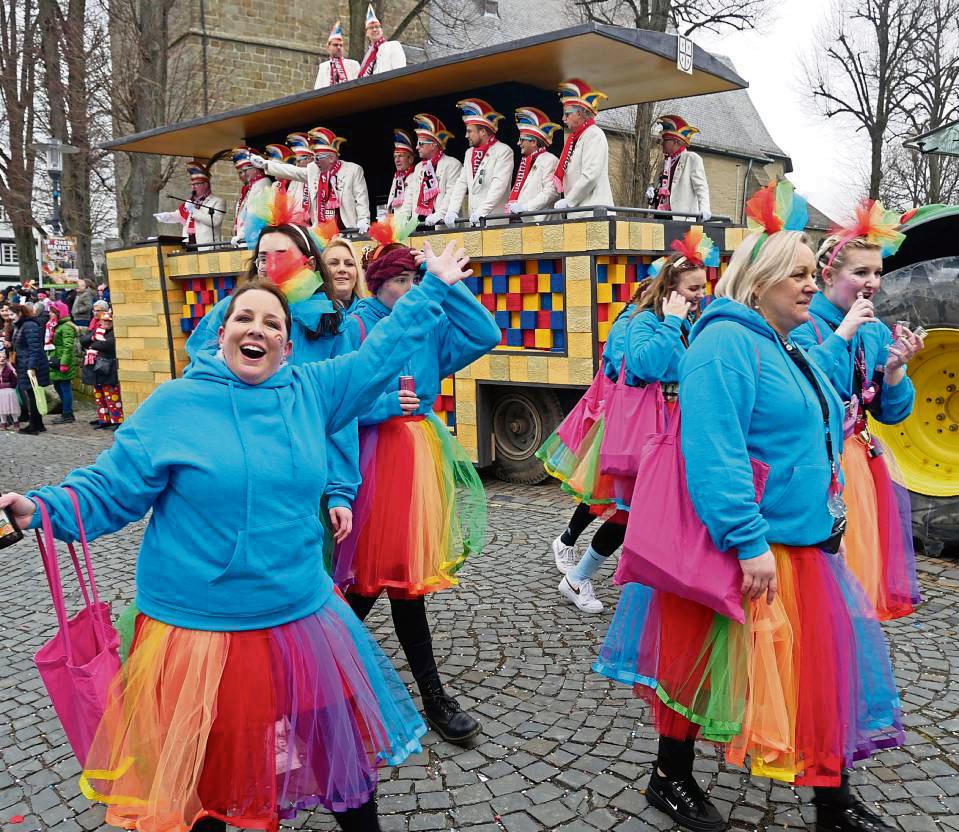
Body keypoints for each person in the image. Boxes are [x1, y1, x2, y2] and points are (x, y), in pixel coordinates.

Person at [0, 241, 473, 832]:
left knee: (343, 769)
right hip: (199, 628)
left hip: (299, 612)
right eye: (244, 318)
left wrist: (432, 288)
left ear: (287, 344)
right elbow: (108, 489)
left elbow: (380, 353)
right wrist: (38, 509)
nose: (258, 329)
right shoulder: (175, 405)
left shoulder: (311, 390)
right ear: (220, 335)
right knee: (211, 782)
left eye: (272, 322)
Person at [597, 181, 902, 832]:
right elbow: (713, 448)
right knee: (694, 664)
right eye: (794, 274)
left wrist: (858, 346)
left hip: (800, 541)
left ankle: (830, 799)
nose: (808, 285)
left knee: (816, 673)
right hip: (757, 546)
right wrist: (744, 539)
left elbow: (806, 395)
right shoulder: (725, 342)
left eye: (808, 273)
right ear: (758, 280)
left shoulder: (777, 342)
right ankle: (668, 777)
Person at [333, 228, 500, 745]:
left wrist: (442, 283)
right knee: (362, 581)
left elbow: (484, 333)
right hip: (371, 460)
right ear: (377, 284)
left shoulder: (427, 320)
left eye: (412, 278)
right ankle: (323, 678)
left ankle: (430, 695)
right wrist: (384, 407)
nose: (408, 288)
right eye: (399, 279)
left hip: (419, 459)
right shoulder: (359, 324)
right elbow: (337, 397)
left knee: (406, 583)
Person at [554, 236, 711, 614]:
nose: (699, 296)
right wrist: (672, 322)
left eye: (703, 288)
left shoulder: (689, 322)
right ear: (671, 288)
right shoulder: (644, 320)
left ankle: (660, 582)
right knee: (631, 511)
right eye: (693, 289)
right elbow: (643, 366)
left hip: (678, 426)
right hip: (654, 430)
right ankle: (577, 576)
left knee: (661, 511)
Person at [793, 200, 924, 621]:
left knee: (856, 578)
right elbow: (805, 392)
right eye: (860, 273)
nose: (872, 282)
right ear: (828, 276)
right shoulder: (803, 324)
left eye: (878, 273)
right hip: (815, 463)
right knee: (821, 577)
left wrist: (895, 372)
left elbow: (889, 412)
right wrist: (843, 333)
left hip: (861, 464)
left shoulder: (874, 330)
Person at [252, 128, 370, 233]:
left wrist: (363, 220)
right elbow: (292, 171)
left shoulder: (353, 170)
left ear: (331, 158)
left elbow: (361, 198)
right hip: (321, 230)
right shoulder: (314, 170)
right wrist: (266, 165)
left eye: (318, 158)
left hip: (347, 228)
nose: (315, 161)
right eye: (314, 157)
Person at [445, 99, 515, 227]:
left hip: (493, 221)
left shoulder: (503, 151)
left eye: (470, 131)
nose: (466, 135)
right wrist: (452, 210)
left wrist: (481, 212)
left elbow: (498, 186)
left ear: (482, 132)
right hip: (473, 221)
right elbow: (461, 183)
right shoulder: (469, 153)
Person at [547, 79, 613, 212]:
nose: (563, 119)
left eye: (567, 114)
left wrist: (569, 200)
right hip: (579, 211)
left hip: (592, 211)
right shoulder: (575, 138)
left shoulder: (594, 135)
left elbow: (590, 175)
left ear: (579, 113)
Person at [399, 113, 461, 225]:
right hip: (419, 223)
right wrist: (403, 218)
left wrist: (440, 214)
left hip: (441, 223)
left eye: (421, 144)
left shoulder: (452, 164)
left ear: (433, 145)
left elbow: (451, 194)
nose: (417, 147)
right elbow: (412, 195)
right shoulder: (419, 167)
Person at [648, 115, 711, 220]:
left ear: (676, 141)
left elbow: (701, 188)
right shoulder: (662, 163)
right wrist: (651, 188)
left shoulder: (691, 159)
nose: (662, 143)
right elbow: (658, 186)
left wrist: (704, 208)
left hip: (680, 218)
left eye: (665, 140)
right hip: (659, 215)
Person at [506, 107, 562, 220]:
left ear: (533, 142)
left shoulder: (550, 160)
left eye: (522, 140)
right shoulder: (526, 161)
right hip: (524, 220)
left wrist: (527, 207)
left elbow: (551, 192)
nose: (518, 143)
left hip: (542, 222)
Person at [154, 160, 226, 244]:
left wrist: (193, 211)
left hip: (206, 245)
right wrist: (167, 216)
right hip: (188, 243)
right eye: (192, 184)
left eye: (196, 184)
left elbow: (215, 222)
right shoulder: (191, 202)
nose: (193, 187)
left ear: (205, 184)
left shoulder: (217, 201)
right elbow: (180, 215)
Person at [9, 303, 49, 435]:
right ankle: (38, 424)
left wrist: (31, 367)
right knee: (31, 395)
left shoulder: (29, 325)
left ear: (20, 313)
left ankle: (34, 425)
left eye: (12, 314)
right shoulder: (20, 326)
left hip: (31, 365)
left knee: (33, 396)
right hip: (24, 364)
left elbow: (34, 348)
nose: (10, 317)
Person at [81, 311, 123, 429]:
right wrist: (93, 339)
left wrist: (92, 344)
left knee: (112, 397)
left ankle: (117, 420)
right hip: (96, 369)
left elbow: (108, 346)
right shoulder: (97, 331)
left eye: (109, 321)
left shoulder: (113, 333)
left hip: (108, 368)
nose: (107, 323)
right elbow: (83, 340)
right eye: (104, 321)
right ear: (100, 321)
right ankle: (104, 419)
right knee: (100, 397)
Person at [230, 147, 273, 246]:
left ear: (255, 168)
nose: (243, 175)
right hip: (246, 238)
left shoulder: (262, 183)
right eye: (240, 172)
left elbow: (255, 215)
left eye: (245, 170)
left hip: (253, 238)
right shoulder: (252, 186)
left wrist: (241, 235)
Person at [47, 301, 79, 424]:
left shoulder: (66, 327)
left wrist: (64, 363)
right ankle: (66, 412)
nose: (50, 314)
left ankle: (67, 414)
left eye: (52, 312)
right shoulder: (56, 325)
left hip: (62, 361)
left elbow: (68, 347)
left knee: (65, 387)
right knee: (57, 385)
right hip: (55, 359)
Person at [322, 237, 369, 312]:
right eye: (333, 263)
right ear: (322, 270)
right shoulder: (309, 317)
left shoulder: (372, 315)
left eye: (349, 264)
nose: (342, 269)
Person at [358, 4, 406, 77]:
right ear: (366, 33)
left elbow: (400, 72)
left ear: (382, 31)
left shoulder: (393, 46)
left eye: (377, 27)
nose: (374, 29)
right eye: (371, 27)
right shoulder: (367, 57)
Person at [315, 20, 359, 88]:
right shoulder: (323, 67)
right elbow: (318, 89)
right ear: (328, 47)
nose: (338, 47)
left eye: (341, 45)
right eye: (335, 45)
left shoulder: (353, 64)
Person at [387, 129, 417, 215]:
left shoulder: (416, 175)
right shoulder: (397, 177)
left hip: (408, 224)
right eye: (395, 157)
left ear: (410, 159)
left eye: (400, 156)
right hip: (393, 222)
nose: (397, 160)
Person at [0, 346, 18, 430]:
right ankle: (3, 423)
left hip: (9, 390)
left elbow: (14, 381)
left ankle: (16, 422)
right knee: (1, 407)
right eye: (0, 357)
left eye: (3, 357)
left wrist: (10, 386)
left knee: (12, 407)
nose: (2, 359)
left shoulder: (10, 369)